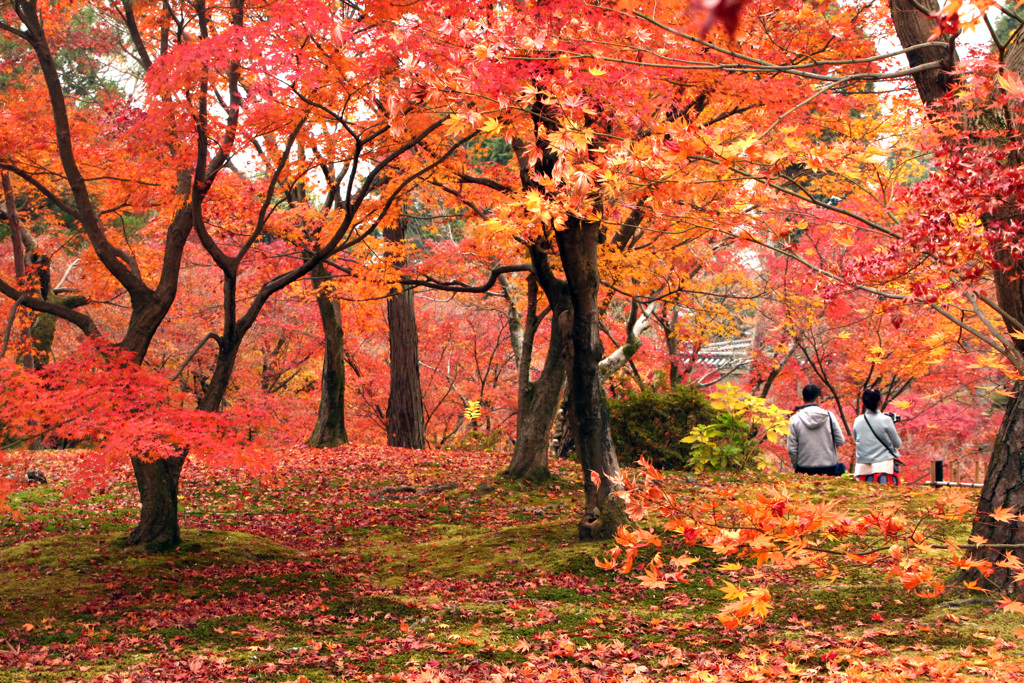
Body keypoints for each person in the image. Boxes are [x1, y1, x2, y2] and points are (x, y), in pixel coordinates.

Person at [787, 384, 846, 475]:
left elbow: (791, 449)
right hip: (829, 467)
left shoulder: (794, 419)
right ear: (818, 399)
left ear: (803, 399)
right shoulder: (829, 416)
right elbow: (840, 441)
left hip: (804, 468)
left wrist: (797, 466)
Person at [853, 389, 902, 483]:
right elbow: (897, 444)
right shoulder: (886, 420)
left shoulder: (858, 420)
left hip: (863, 468)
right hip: (884, 467)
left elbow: (857, 440)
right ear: (879, 402)